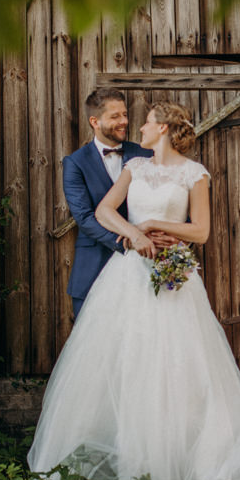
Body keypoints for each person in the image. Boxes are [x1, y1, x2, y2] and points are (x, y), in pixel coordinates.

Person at [28, 101, 240, 480]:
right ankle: (134, 458)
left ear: (162, 128)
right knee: (131, 363)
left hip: (175, 279)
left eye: (145, 121)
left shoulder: (195, 175)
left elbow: (201, 232)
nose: (138, 127)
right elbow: (104, 210)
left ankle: (182, 454)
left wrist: (157, 224)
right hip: (129, 275)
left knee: (178, 364)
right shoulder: (135, 168)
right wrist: (135, 234)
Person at [62, 89, 152, 320]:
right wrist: (126, 243)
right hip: (94, 267)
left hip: (145, 267)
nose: (124, 121)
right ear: (95, 121)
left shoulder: (145, 154)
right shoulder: (75, 163)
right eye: (115, 117)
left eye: (124, 114)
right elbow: (84, 217)